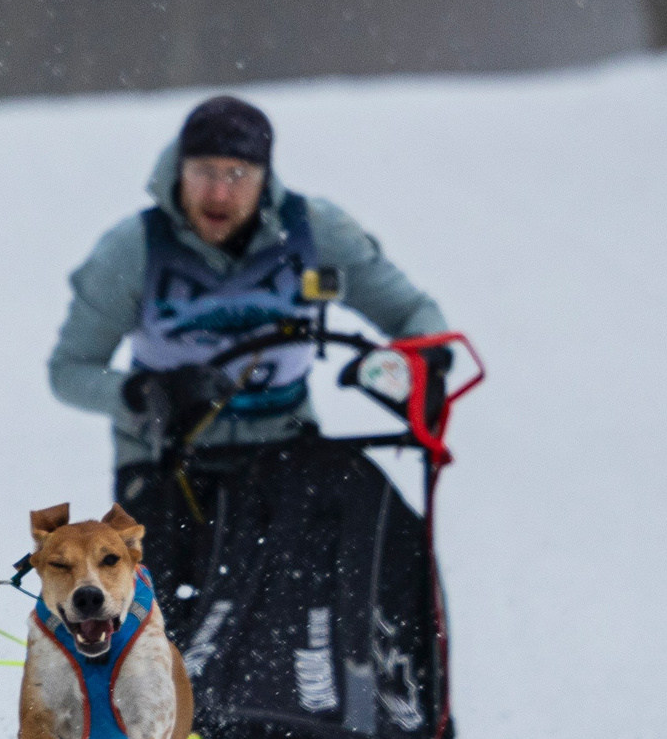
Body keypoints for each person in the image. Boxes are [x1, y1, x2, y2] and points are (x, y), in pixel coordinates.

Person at [47, 93, 448, 577]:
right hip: (164, 462)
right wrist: (143, 393)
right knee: (162, 615)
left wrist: (423, 363)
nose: (218, 194)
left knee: (380, 546)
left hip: (285, 446)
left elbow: (413, 313)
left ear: (265, 179)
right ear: (179, 170)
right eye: (204, 172)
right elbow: (68, 372)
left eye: (237, 175)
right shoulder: (131, 251)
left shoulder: (316, 233)